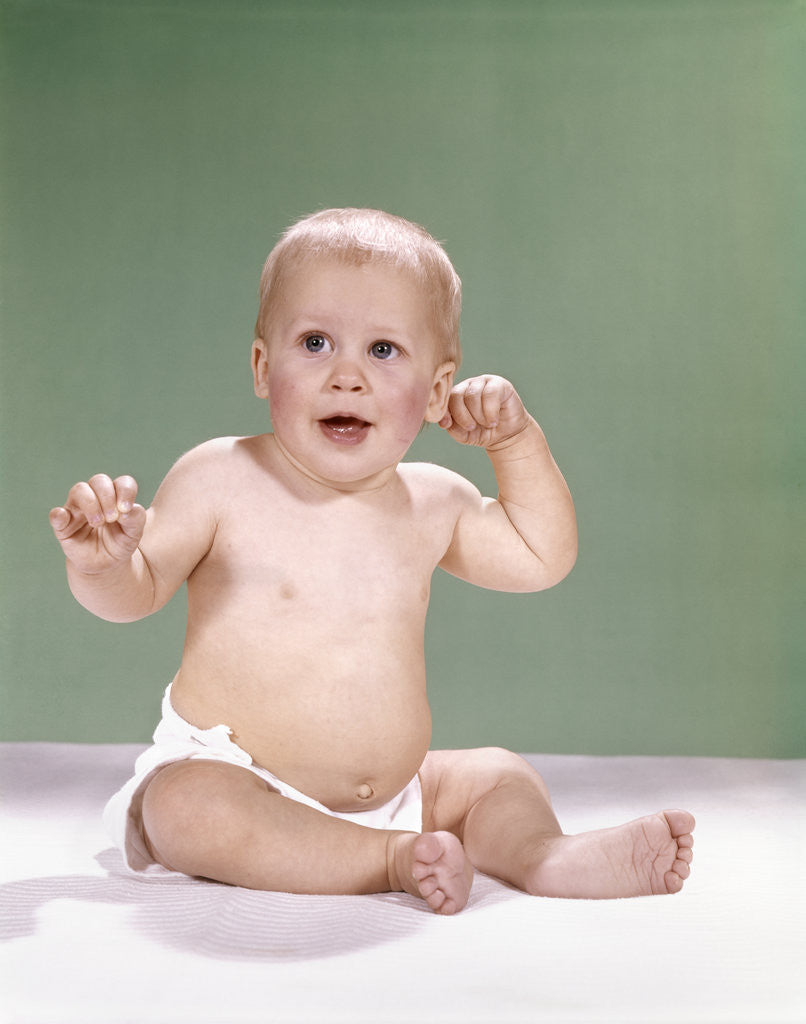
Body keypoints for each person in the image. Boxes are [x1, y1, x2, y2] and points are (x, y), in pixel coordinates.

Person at [49, 208, 694, 915]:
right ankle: (384, 862)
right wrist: (102, 565)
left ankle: (543, 856)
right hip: (234, 772)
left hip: (400, 794)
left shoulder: (433, 501)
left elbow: (542, 557)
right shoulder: (220, 477)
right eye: (316, 342)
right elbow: (134, 594)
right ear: (264, 366)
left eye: (384, 350)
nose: (347, 376)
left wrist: (515, 444)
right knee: (185, 806)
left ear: (440, 389)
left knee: (497, 775)